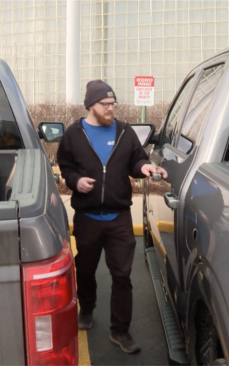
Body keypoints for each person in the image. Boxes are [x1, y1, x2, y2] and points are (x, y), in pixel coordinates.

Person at [56, 79, 167, 354]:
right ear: (90, 106)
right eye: (105, 104)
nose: (110, 108)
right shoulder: (73, 134)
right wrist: (75, 181)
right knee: (86, 269)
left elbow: (136, 160)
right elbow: (66, 166)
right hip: (88, 217)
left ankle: (120, 330)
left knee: (122, 275)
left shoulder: (124, 131)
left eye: (112, 103)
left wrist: (145, 167)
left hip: (118, 217)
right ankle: (87, 309)